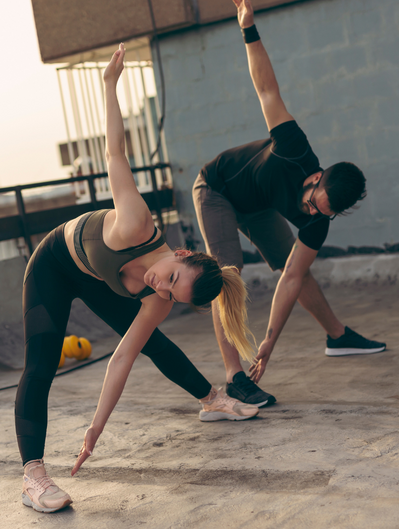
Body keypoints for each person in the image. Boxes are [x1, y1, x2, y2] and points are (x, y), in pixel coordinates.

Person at [16, 43, 259, 514]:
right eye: (169, 277)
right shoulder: (135, 224)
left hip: (93, 277)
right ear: (181, 252)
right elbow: (115, 151)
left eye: (169, 292)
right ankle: (33, 476)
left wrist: (95, 429)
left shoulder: (159, 295)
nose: (158, 286)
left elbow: (121, 360)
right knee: (40, 365)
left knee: (154, 342)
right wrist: (109, 85)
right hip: (54, 264)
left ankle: (211, 399)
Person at [191, 0, 387, 408]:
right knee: (226, 276)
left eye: (324, 213)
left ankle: (338, 337)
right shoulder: (295, 148)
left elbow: (292, 277)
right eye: (314, 203)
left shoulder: (320, 219)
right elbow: (266, 89)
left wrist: (268, 343)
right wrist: (248, 28)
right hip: (218, 188)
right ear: (314, 178)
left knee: (295, 266)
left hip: (258, 205)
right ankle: (234, 377)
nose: (313, 212)